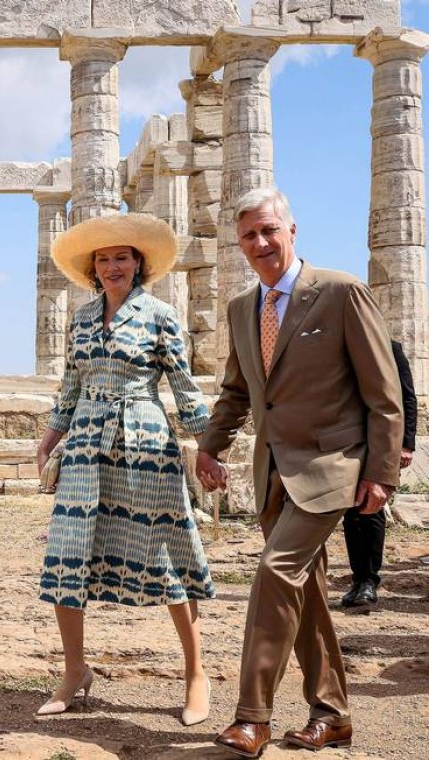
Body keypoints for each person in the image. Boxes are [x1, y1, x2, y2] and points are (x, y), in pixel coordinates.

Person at [195, 188, 402, 757]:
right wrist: (210, 448)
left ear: (292, 231)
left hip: (332, 465)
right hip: (272, 472)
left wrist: (381, 472)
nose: (260, 244)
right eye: (249, 236)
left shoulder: (339, 293)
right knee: (305, 590)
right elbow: (237, 391)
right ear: (239, 245)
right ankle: (332, 714)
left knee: (274, 572)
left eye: (269, 231)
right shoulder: (242, 308)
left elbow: (384, 395)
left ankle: (252, 718)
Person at [35, 213, 215, 726]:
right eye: (103, 258)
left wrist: (209, 445)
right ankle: (74, 671)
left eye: (122, 256)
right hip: (86, 445)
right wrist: (51, 437)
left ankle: (195, 673)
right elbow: (70, 385)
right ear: (93, 267)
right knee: (68, 553)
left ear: (139, 264)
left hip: (146, 442)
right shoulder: (82, 319)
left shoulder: (160, 315)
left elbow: (184, 388)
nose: (112, 265)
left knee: (166, 556)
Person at [341, 339, 416, 608]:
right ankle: (358, 578)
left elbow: (407, 395)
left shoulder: (390, 347)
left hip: (382, 441)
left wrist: (407, 443)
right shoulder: (342, 346)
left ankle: (369, 581)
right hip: (349, 440)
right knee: (351, 510)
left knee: (372, 508)